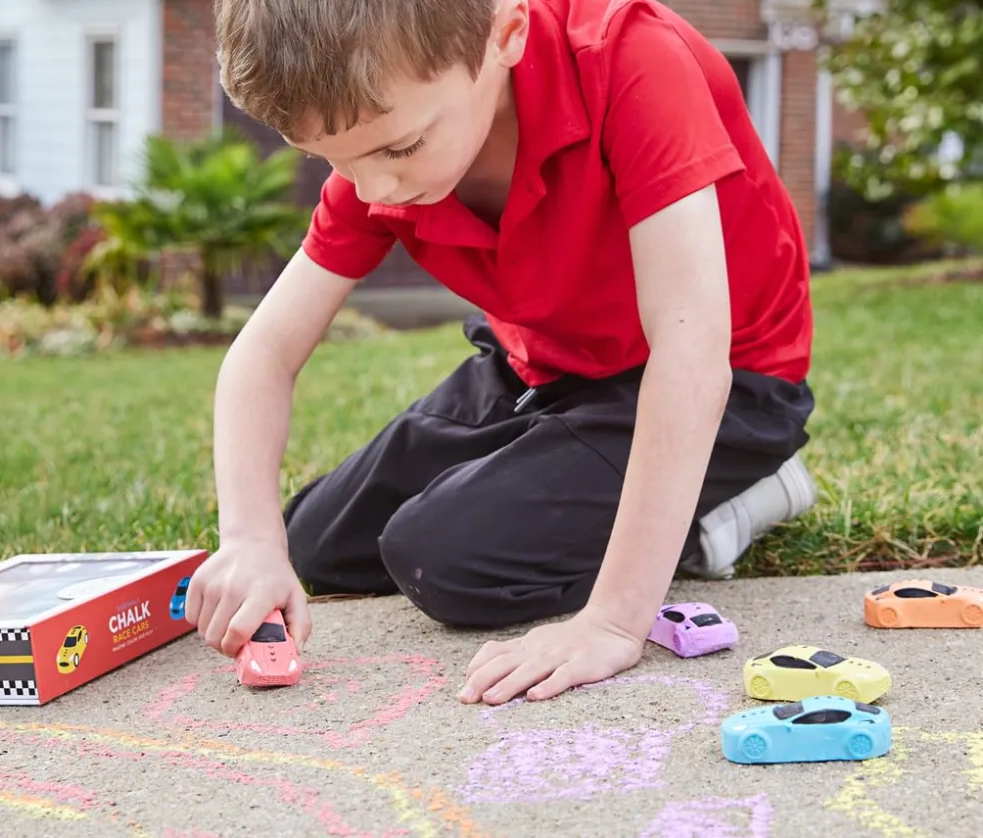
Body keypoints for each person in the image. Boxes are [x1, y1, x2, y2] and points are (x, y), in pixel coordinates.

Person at [185, 0, 817, 707]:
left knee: (445, 561)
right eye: (331, 160)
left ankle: (729, 505)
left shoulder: (631, 60)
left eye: (398, 151)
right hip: (540, 363)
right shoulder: (387, 122)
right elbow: (265, 352)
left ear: (506, 36)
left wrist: (612, 622)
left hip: (725, 382)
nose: (374, 190)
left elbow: (692, 351)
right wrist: (248, 540)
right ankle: (572, 473)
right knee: (313, 541)